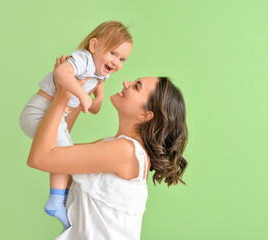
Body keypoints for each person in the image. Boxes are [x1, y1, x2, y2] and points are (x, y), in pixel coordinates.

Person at [27, 56, 188, 239]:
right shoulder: (117, 146)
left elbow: (40, 158)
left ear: (145, 114)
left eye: (136, 86)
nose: (126, 83)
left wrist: (62, 95)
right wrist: (74, 92)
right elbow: (59, 150)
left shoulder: (125, 152)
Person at [19, 21, 133, 228]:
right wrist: (81, 94)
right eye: (113, 53)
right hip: (38, 112)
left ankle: (60, 199)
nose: (116, 62)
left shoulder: (102, 74)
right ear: (94, 46)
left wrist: (96, 99)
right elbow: (61, 73)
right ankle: (56, 200)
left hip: (54, 116)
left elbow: (93, 107)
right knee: (63, 154)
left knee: (65, 153)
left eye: (122, 58)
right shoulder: (84, 60)